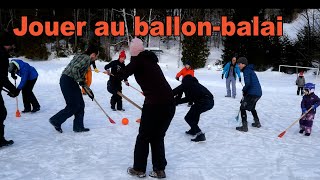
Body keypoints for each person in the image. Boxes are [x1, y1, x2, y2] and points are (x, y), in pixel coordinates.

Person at [115, 38, 175, 179]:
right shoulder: (150, 60)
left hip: (154, 104)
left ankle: (139, 169)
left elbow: (124, 73)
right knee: (157, 136)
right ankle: (159, 170)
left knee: (144, 136)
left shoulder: (138, 60)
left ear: (133, 51)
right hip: (169, 104)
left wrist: (113, 80)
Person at [49, 44, 99, 133]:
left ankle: (78, 126)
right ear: (93, 54)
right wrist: (80, 81)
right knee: (73, 106)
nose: (95, 59)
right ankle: (56, 120)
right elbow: (75, 69)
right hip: (68, 81)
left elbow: (81, 78)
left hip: (69, 80)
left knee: (80, 104)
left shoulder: (82, 56)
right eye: (96, 56)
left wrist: (88, 91)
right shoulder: (86, 58)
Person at [173, 75, 214, 142]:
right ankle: (193, 130)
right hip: (210, 102)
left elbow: (185, 97)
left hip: (203, 102)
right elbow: (189, 98)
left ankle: (200, 134)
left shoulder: (188, 84)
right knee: (195, 113)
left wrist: (175, 101)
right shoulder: (195, 84)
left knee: (188, 118)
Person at [0, 31, 20, 147]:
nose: (12, 47)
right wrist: (13, 89)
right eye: (11, 45)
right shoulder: (2, 55)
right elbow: (1, 77)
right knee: (1, 113)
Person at [236, 57, 262, 132]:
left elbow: (248, 83)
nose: (238, 65)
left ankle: (244, 127)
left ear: (244, 64)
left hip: (253, 93)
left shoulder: (246, 70)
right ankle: (257, 123)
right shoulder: (249, 70)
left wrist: (244, 90)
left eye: (239, 64)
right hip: (258, 93)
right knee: (252, 107)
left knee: (242, 107)